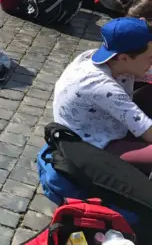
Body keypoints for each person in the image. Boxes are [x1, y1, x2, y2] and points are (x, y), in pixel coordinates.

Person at [53, 17, 152, 173]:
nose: (151, 63)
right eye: (150, 58)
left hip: (108, 125)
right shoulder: (102, 87)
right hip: (95, 147)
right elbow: (148, 131)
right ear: (124, 58)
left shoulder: (108, 59)